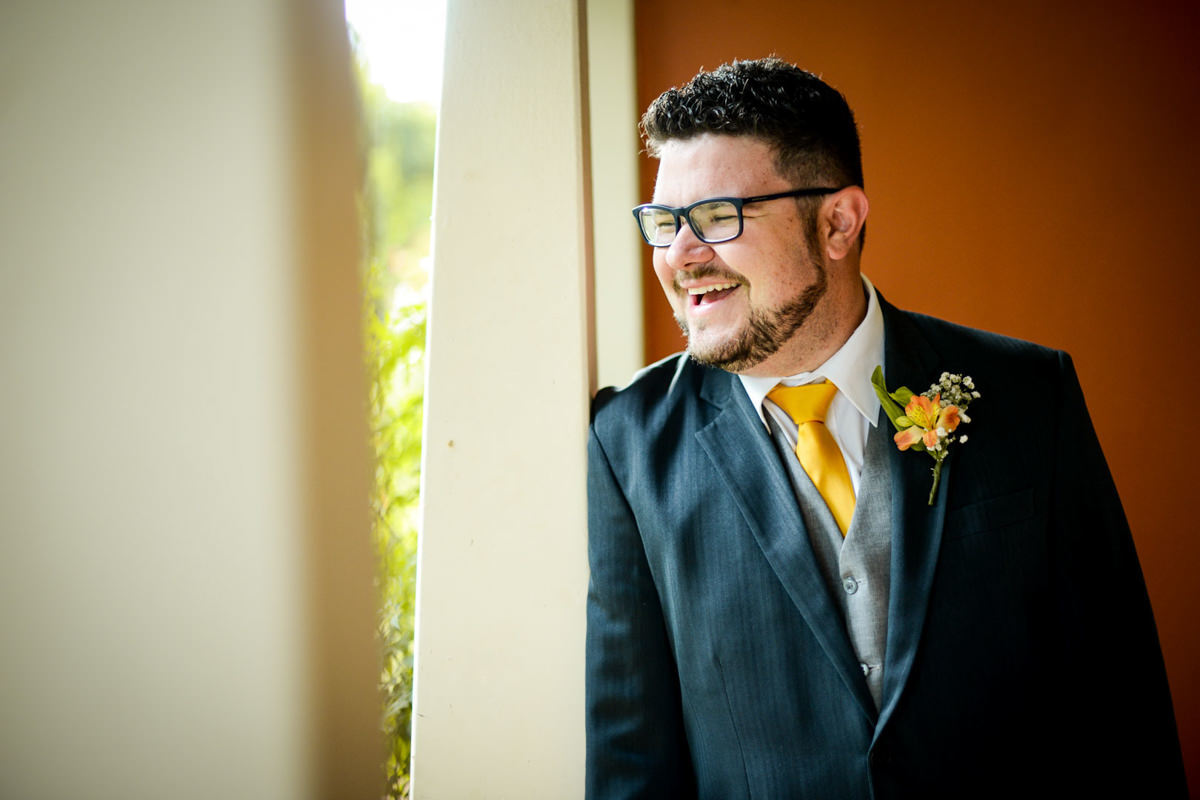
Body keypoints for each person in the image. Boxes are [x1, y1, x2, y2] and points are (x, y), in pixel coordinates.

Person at [586, 58, 1185, 799]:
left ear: (838, 222)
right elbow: (630, 759)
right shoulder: (626, 443)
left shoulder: (1032, 395)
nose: (678, 255)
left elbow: (1121, 707)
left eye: (716, 217)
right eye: (663, 223)